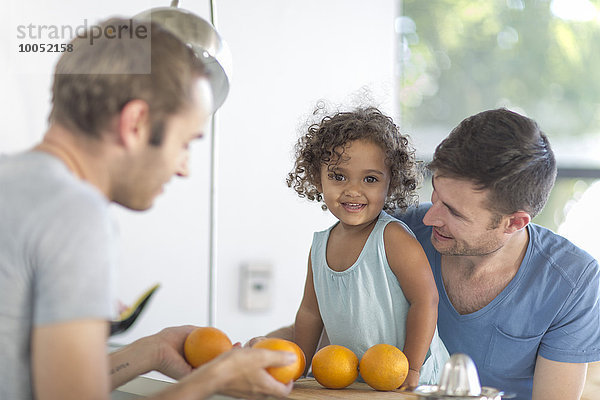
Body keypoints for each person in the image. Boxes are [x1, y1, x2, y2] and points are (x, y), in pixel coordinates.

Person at [0, 18, 294, 400]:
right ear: (136, 122)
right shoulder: (77, 213)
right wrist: (212, 381)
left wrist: (150, 352)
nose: (184, 167)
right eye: (186, 141)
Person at [265, 108, 600, 400]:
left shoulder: (572, 282)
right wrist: (262, 350)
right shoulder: (400, 231)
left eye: (453, 211)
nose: (429, 217)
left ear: (514, 222)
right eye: (435, 195)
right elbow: (338, 318)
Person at [285, 106, 449, 387]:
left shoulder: (392, 237)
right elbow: (311, 313)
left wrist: (411, 368)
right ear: (316, 177)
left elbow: (425, 301)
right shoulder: (319, 245)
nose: (353, 190)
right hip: (361, 382)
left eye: (370, 179)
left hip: (418, 381)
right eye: (338, 176)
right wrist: (298, 367)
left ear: (391, 182)